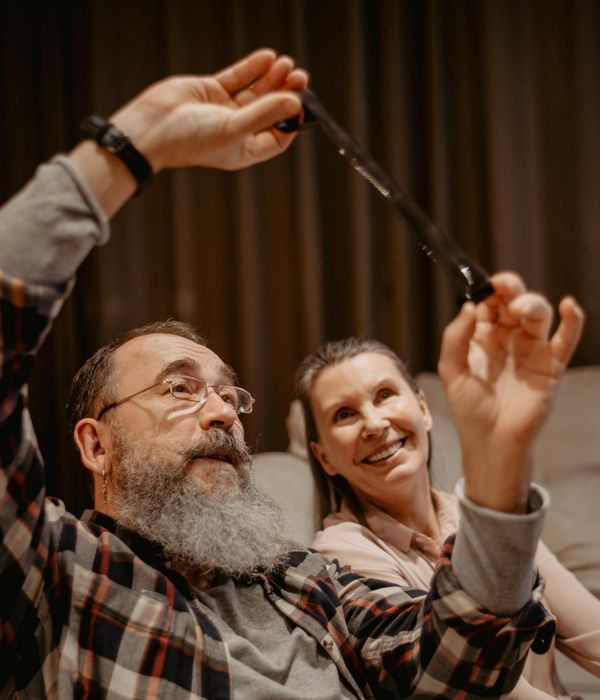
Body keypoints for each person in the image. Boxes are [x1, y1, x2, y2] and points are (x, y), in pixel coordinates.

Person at [0, 48, 565, 698]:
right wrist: (128, 151)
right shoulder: (55, 570)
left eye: (227, 395)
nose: (219, 413)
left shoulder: (299, 578)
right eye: (180, 389)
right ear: (96, 444)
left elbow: (464, 662)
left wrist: (497, 458)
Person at [295, 299, 599, 698]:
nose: (374, 423)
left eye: (384, 395)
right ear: (324, 457)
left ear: (423, 409)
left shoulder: (479, 518)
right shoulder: (341, 554)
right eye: (344, 415)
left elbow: (592, 633)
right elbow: (480, 681)